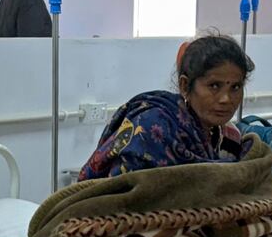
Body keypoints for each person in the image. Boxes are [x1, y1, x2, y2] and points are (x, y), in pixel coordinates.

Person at [78, 35, 254, 180]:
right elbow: (123, 198)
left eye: (235, 87)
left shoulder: (229, 138)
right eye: (214, 86)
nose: (226, 99)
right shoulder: (152, 127)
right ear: (185, 86)